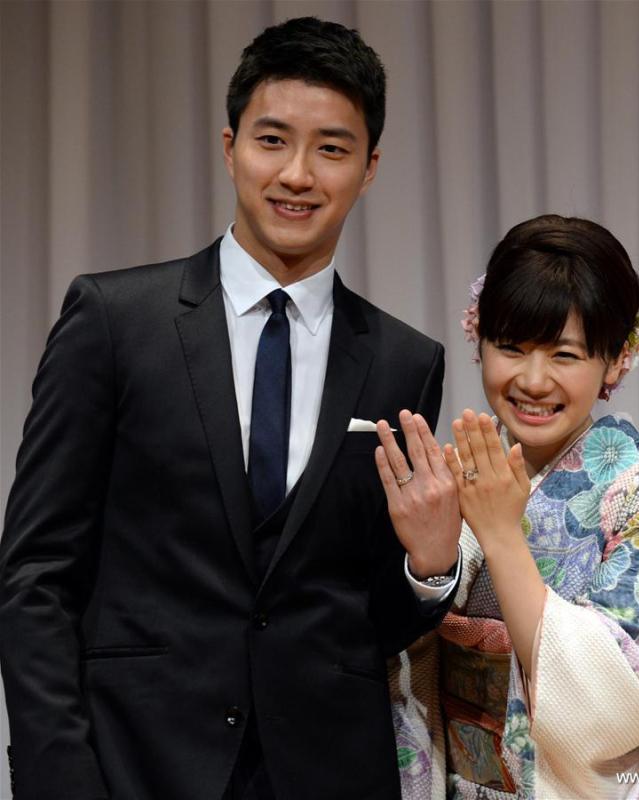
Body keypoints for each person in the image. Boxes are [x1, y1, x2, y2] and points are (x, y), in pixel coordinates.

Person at [0, 17, 462, 800]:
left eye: (332, 149)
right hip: (131, 767)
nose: (297, 174)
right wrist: (59, 778)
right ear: (229, 146)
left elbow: (364, 622)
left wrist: (429, 566)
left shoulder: (401, 361)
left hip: (325, 773)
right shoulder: (116, 320)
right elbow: (37, 573)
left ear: (370, 167)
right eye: (272, 140)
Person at [377, 215, 639, 799]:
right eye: (510, 347)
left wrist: (499, 534)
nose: (532, 379)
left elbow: (620, 705)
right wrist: (430, 566)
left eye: (565, 354)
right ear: (478, 341)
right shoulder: (454, 480)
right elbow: (399, 655)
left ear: (618, 359)